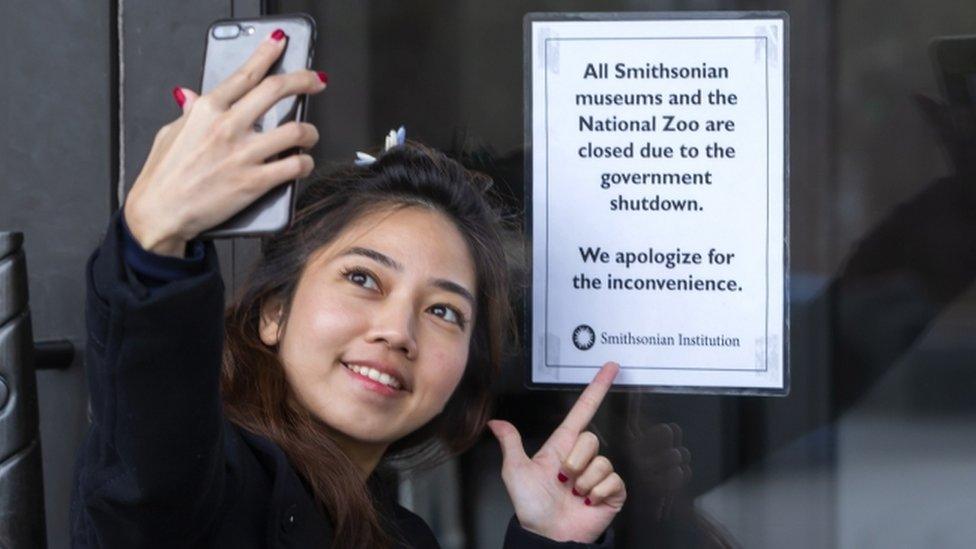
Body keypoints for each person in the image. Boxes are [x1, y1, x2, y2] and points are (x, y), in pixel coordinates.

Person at [70, 29, 626, 548]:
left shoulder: (406, 536)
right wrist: (154, 243)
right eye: (363, 278)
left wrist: (550, 537)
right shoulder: (200, 484)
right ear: (274, 311)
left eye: (443, 311)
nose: (397, 331)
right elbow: (153, 452)